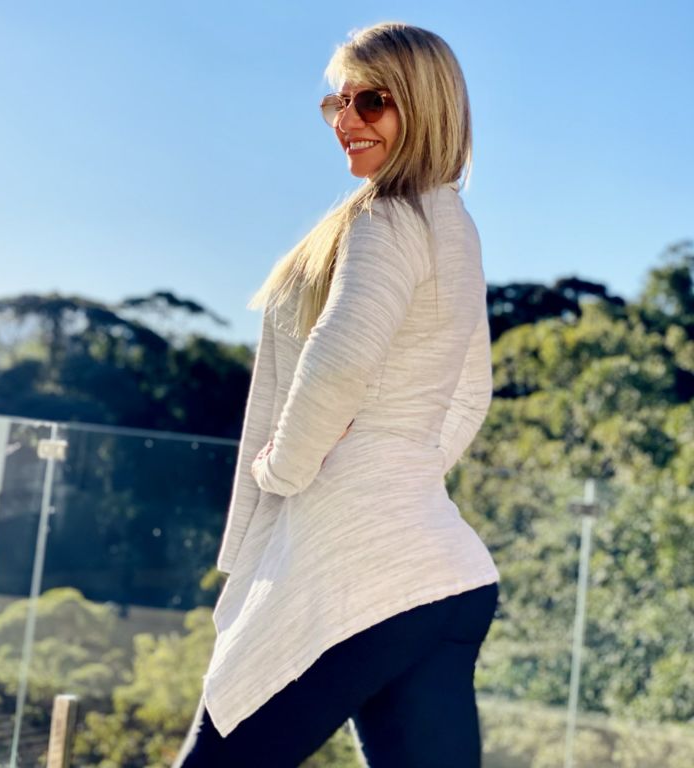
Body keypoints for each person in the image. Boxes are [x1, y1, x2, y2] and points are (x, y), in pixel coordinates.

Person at [172, 21, 500, 768]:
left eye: (372, 101)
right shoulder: (453, 223)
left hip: (348, 567)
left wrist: (283, 469)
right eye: (337, 103)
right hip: (442, 576)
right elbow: (470, 394)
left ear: (425, 105)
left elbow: (339, 357)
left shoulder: (387, 219)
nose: (346, 120)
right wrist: (400, 465)